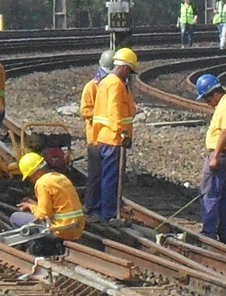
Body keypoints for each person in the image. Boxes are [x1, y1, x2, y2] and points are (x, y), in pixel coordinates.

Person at [87, 47, 138, 224]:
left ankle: (103, 210)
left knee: (105, 176)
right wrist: (122, 132)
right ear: (124, 67)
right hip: (113, 138)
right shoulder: (116, 83)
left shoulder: (106, 82)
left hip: (103, 136)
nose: (129, 75)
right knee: (111, 178)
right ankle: (108, 214)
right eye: (129, 71)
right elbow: (114, 110)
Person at [196, 73, 226, 245]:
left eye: (207, 100)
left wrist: (215, 156)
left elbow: (225, 132)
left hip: (221, 155)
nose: (208, 104)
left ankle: (208, 234)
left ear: (215, 93)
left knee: (209, 194)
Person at [12, 152, 85, 254]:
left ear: (37, 172)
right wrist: (35, 205)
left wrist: (30, 207)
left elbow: (43, 214)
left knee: (15, 217)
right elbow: (58, 208)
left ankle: (38, 247)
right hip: (77, 228)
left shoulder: (42, 183)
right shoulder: (60, 177)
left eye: (30, 177)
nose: (31, 180)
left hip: (60, 230)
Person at [80, 50, 112, 224]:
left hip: (107, 138)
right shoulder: (91, 87)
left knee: (106, 175)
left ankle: (104, 207)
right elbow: (84, 110)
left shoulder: (110, 86)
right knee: (95, 175)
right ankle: (92, 207)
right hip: (94, 139)